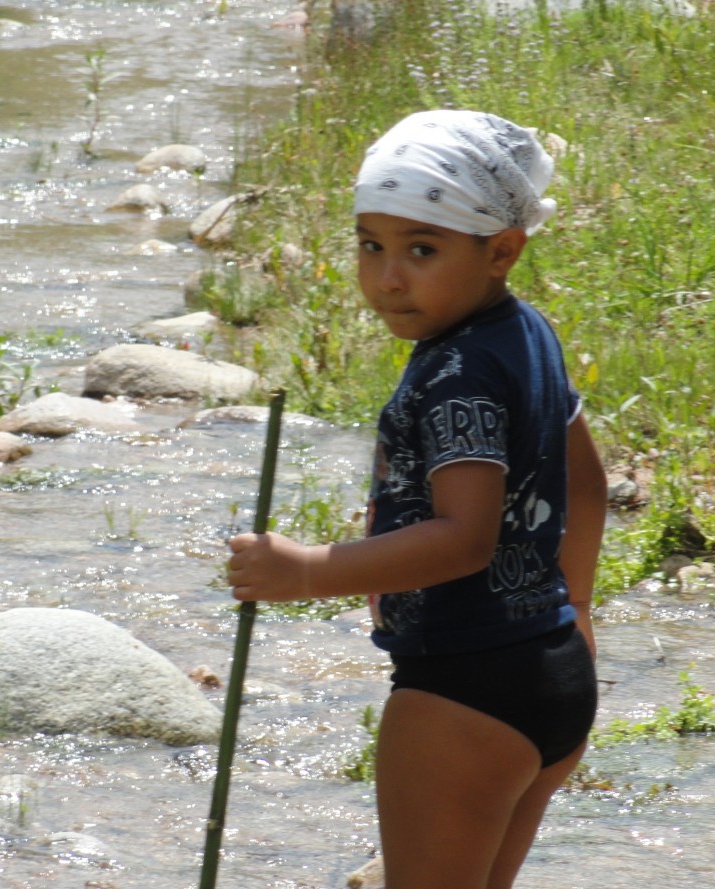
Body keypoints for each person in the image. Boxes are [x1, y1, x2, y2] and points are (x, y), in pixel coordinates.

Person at [227, 109, 608, 889]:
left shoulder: (453, 374)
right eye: (372, 245)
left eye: (421, 250)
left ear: (502, 250)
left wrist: (303, 570)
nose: (388, 277)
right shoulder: (526, 332)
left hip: (461, 691)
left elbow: (462, 538)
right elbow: (587, 477)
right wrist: (577, 606)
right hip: (552, 668)